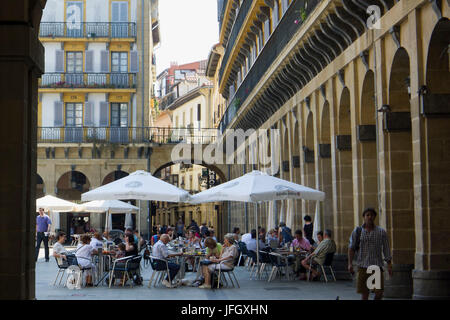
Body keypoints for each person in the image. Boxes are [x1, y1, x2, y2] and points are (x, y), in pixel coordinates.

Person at [348, 208, 392, 300]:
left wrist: (389, 264)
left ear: (375, 217)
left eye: (371, 215)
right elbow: (351, 248)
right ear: (364, 217)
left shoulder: (381, 232)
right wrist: (350, 264)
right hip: (363, 265)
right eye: (367, 215)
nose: (369, 217)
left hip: (376, 266)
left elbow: (386, 248)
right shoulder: (358, 231)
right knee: (365, 294)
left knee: (379, 292)